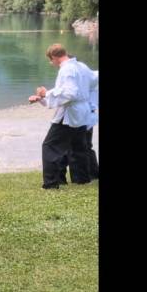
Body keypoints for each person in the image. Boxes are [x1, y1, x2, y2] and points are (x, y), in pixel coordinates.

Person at [28, 43, 99, 189]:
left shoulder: (66, 69)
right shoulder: (81, 67)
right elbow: (93, 81)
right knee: (79, 147)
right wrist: (42, 98)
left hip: (71, 113)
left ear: (54, 57)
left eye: (51, 60)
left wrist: (47, 93)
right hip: (83, 112)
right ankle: (82, 180)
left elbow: (70, 93)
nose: (52, 64)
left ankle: (51, 183)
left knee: (50, 146)